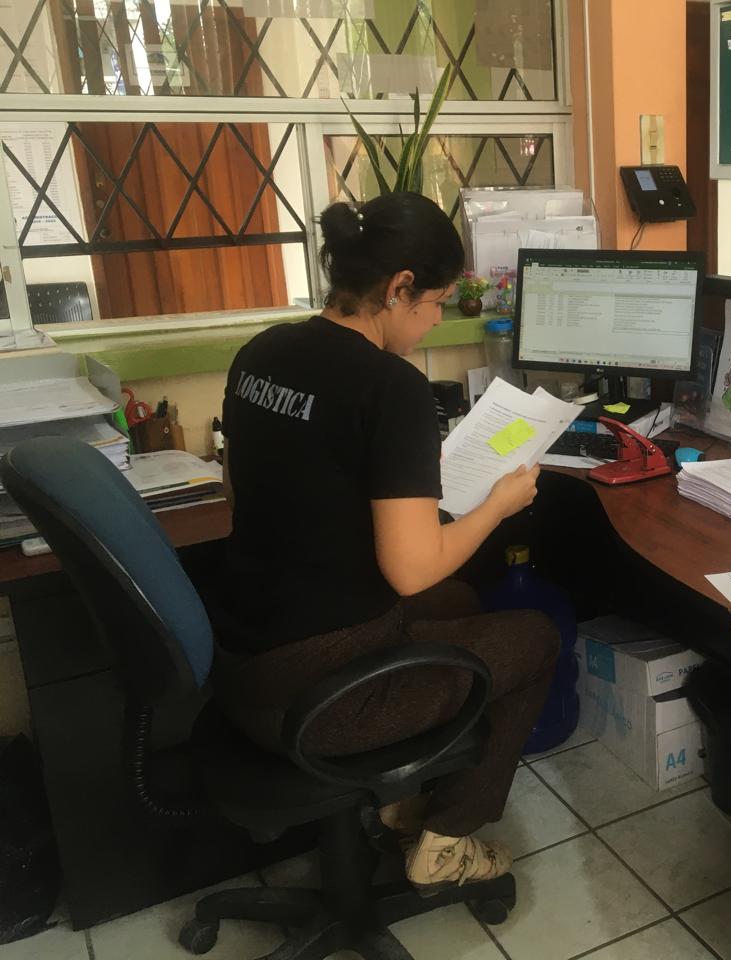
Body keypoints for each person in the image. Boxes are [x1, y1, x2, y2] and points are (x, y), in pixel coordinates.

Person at [210, 192, 560, 893]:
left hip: (243, 660)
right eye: (434, 304)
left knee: (460, 601)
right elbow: (409, 571)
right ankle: (448, 839)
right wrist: (497, 505)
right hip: (317, 700)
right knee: (535, 638)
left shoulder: (263, 351)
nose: (434, 323)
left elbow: (251, 496)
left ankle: (403, 801)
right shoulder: (390, 387)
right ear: (399, 287)